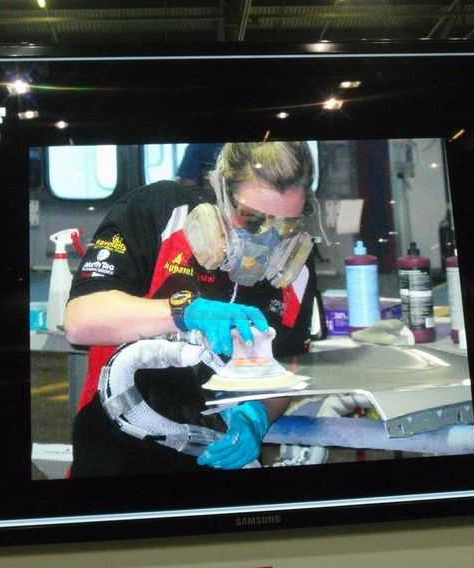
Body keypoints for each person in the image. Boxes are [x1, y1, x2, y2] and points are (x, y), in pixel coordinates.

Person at [64, 141, 317, 478]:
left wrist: (258, 415)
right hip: (116, 448)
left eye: (286, 224)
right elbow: (80, 320)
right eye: (252, 218)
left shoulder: (295, 271)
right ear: (222, 190)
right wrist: (185, 312)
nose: (268, 239)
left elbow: (287, 366)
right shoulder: (156, 211)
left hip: (215, 455)